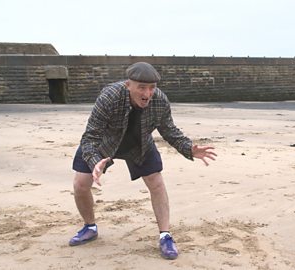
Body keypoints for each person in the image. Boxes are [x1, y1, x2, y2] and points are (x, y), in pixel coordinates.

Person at [69, 62, 217, 260]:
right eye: (141, 87)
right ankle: (90, 227)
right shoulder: (109, 97)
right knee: (80, 184)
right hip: (105, 142)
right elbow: (90, 136)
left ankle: (165, 236)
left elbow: (169, 130)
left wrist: (188, 148)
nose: (147, 93)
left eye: (152, 87)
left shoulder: (160, 100)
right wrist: (95, 160)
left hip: (139, 143)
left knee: (156, 183)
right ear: (128, 85)